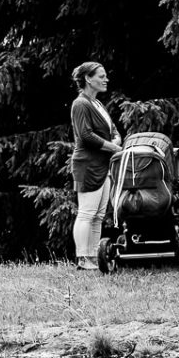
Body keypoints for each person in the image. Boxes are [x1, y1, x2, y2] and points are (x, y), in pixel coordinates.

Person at [69, 60, 123, 270]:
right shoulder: (80, 104)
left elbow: (114, 130)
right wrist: (113, 147)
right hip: (87, 165)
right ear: (88, 79)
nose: (105, 79)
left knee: (99, 215)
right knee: (87, 213)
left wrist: (115, 142)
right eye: (101, 76)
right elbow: (85, 136)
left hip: (104, 164)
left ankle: (94, 257)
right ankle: (83, 259)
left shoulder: (98, 104)